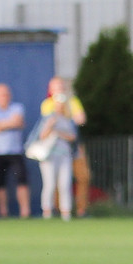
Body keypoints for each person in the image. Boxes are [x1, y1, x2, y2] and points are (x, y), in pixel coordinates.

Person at [40, 77, 89, 217]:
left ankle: (81, 210)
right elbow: (49, 123)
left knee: (81, 176)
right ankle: (55, 209)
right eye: (56, 87)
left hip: (73, 147)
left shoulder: (72, 101)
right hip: (53, 149)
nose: (60, 90)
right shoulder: (47, 104)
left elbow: (81, 119)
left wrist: (67, 117)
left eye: (61, 87)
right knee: (53, 182)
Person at [0, 83, 31, 218]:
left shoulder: (17, 107)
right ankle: (3, 211)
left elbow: (18, 121)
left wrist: (1, 125)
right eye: (1, 95)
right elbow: (14, 123)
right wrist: (10, 123)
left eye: (6, 94)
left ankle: (25, 211)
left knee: (22, 181)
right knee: (0, 183)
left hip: (15, 152)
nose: (4, 97)